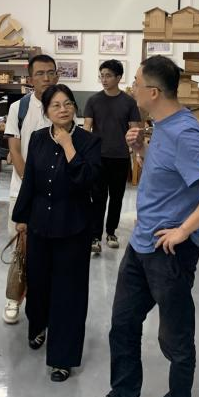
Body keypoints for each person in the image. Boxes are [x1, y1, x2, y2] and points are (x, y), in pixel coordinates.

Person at [80, 56, 199, 397]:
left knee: (175, 340)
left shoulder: (184, 132)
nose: (130, 88)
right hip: (141, 244)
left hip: (169, 252)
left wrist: (184, 230)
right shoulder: (161, 126)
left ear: (152, 92)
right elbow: (170, 175)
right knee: (123, 324)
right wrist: (142, 149)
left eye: (135, 82)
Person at [11, 84, 101, 382]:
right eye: (56, 105)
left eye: (68, 104)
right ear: (47, 111)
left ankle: (63, 357)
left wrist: (68, 145)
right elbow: (30, 180)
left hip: (74, 227)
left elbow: (87, 180)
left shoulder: (89, 141)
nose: (63, 110)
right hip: (39, 224)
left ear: (75, 107)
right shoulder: (37, 138)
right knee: (38, 284)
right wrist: (21, 217)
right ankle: (38, 325)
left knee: (69, 293)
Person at [1, 53, 58, 324]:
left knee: (49, 252)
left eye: (51, 72)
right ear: (30, 78)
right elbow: (14, 150)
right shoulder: (19, 108)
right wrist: (30, 186)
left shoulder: (62, 105)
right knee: (21, 248)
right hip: (22, 191)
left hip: (55, 196)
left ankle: (44, 303)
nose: (46, 78)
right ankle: (13, 298)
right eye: (40, 73)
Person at [84, 59, 141, 255]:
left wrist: (137, 152)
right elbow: (87, 128)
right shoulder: (93, 100)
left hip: (120, 157)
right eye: (102, 76)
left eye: (108, 76)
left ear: (118, 77)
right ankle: (95, 236)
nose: (104, 79)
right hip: (98, 157)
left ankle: (111, 233)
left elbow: (135, 130)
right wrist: (85, 154)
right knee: (97, 198)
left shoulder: (129, 102)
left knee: (117, 198)